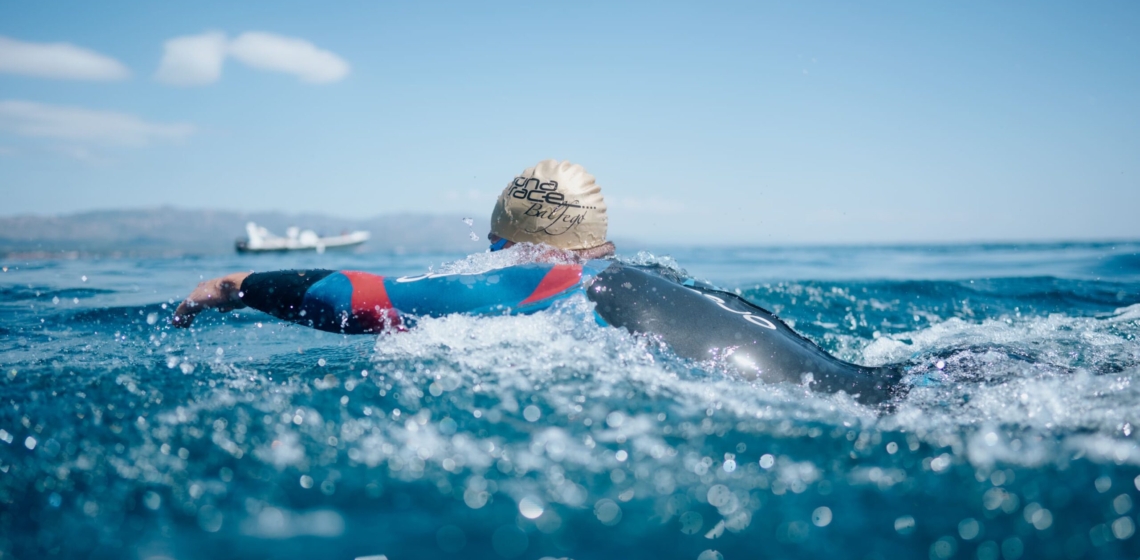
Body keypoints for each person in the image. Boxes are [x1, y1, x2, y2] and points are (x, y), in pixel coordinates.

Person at [174, 160, 901, 404]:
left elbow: (358, 298)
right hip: (880, 384)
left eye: (496, 246)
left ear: (511, 244)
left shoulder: (542, 282)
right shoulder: (658, 279)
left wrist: (236, 285)